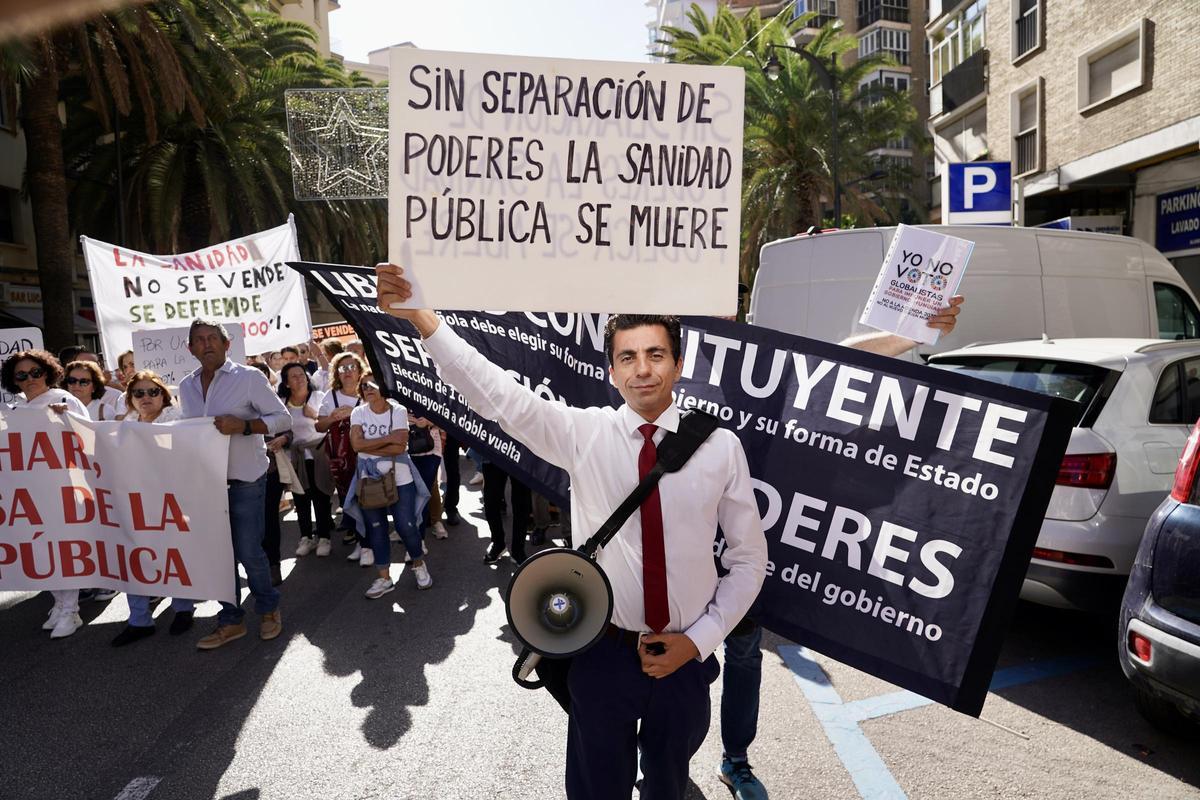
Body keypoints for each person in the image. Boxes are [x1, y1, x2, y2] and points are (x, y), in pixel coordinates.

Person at [377, 264, 767, 800]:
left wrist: (697, 642)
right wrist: (423, 318)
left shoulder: (720, 447)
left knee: (669, 787)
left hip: (684, 659)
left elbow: (748, 561)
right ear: (611, 371)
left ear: (678, 364)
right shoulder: (585, 434)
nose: (643, 370)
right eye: (628, 357)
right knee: (595, 788)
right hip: (602, 656)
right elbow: (497, 396)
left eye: (656, 355)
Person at [714, 296, 965, 800]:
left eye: (727, 306)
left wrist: (913, 333)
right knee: (672, 662)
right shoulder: (664, 359)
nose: (722, 314)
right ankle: (660, 752)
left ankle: (735, 760)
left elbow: (839, 357)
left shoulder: (766, 363)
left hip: (745, 549)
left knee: (742, 655)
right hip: (678, 548)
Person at [177, 319, 289, 650]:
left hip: (246, 479)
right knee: (219, 556)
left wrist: (244, 425)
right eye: (199, 339)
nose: (207, 343)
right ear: (190, 349)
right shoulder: (186, 386)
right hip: (208, 485)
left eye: (213, 338)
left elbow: (281, 419)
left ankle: (268, 609)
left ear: (227, 345)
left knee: (249, 552)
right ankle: (231, 620)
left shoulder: (250, 378)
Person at [2, 350, 89, 638]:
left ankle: (71, 610)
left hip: (62, 487)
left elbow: (90, 438)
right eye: (21, 375)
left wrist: (67, 421)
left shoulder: (65, 400)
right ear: (13, 380)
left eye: (35, 373)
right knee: (41, 548)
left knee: (64, 547)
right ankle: (60, 602)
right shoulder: (15, 410)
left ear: (47, 372)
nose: (30, 380)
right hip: (31, 491)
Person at [111, 370, 191, 646]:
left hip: (171, 502)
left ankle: (183, 608)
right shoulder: (121, 427)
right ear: (130, 398)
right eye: (139, 393)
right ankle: (139, 619)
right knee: (133, 556)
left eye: (153, 392)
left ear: (163, 396)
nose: (146, 397)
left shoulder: (180, 424)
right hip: (133, 503)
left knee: (173, 554)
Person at [348, 374, 432, 595]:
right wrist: (388, 439)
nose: (368, 388)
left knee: (406, 525)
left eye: (373, 384)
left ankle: (418, 564)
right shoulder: (358, 412)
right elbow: (356, 445)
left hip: (401, 478)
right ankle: (384, 579)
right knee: (376, 529)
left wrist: (369, 447)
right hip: (369, 480)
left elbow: (400, 446)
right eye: (364, 385)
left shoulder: (398, 410)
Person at [271, 363, 334, 565]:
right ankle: (306, 537)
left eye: (302, 375)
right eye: (293, 376)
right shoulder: (281, 403)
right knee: (301, 499)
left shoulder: (319, 397)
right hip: (295, 457)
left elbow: (327, 423)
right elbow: (279, 429)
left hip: (318, 453)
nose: (299, 379)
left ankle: (324, 537)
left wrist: (314, 414)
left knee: (321, 495)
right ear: (287, 383)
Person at [317, 351, 367, 552]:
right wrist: (332, 418)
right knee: (346, 491)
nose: (347, 372)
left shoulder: (367, 391)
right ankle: (353, 527)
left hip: (364, 450)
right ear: (336, 373)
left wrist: (354, 413)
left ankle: (367, 533)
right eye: (342, 368)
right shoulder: (330, 396)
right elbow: (319, 426)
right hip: (339, 454)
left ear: (359, 370)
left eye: (351, 367)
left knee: (365, 489)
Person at [481, 460, 532, 565]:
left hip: (522, 453)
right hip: (494, 451)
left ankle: (518, 550)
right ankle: (498, 543)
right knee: (491, 502)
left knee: (522, 504)